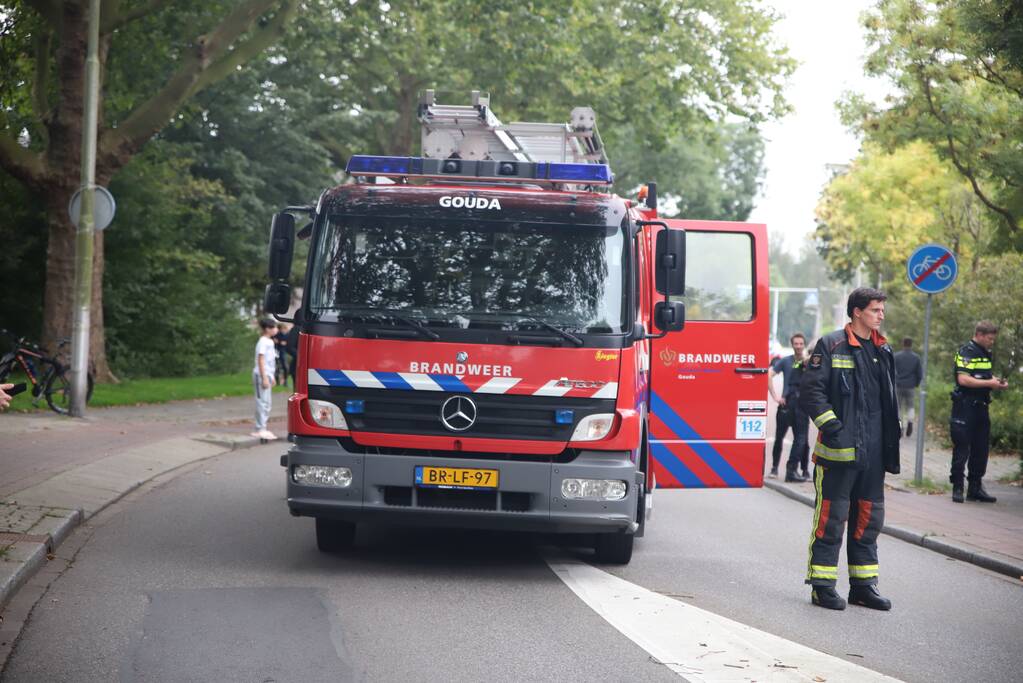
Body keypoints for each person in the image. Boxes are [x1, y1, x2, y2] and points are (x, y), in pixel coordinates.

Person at [800, 287, 900, 611]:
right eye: (875, 310)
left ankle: (863, 587)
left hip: (873, 456)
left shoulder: (883, 350)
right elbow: (812, 393)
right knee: (832, 520)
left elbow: (888, 402)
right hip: (838, 455)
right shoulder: (830, 345)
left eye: (882, 310)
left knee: (868, 522)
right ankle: (822, 587)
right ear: (857, 312)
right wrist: (834, 429)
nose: (881, 315)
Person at [949, 321, 1009, 504]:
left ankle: (975, 487)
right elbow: (964, 379)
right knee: (962, 447)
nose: (992, 342)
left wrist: (996, 382)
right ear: (980, 335)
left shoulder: (985, 353)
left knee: (981, 449)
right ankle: (958, 487)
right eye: (990, 339)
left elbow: (982, 377)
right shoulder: (967, 352)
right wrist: (989, 384)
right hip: (965, 406)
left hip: (982, 406)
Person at [768, 333, 807, 478]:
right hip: (786, 404)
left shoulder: (807, 362)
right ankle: (774, 468)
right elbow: (769, 374)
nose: (798, 346)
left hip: (801, 405)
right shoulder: (785, 361)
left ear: (804, 344)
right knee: (779, 437)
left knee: (802, 440)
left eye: (800, 344)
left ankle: (803, 471)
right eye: (796, 343)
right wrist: (775, 397)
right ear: (792, 345)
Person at [785, 345, 811, 482]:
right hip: (798, 404)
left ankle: (800, 470)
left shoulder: (799, 364)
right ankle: (791, 471)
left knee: (802, 439)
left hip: (795, 402)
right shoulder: (804, 363)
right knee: (800, 439)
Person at [252, 318, 279, 441]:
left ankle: (263, 427)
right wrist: (264, 378)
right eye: (274, 327)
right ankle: (259, 429)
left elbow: (270, 362)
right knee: (261, 402)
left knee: (267, 403)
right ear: (267, 329)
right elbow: (261, 360)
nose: (276, 329)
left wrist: (271, 377)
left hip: (267, 375)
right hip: (261, 375)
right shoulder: (263, 341)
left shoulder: (270, 342)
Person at [894, 337, 923, 437]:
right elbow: (919, 374)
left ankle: (900, 427)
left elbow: (892, 371)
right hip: (910, 386)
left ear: (903, 344)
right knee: (910, 406)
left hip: (898, 385)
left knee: (898, 407)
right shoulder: (916, 357)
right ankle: (910, 422)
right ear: (911, 345)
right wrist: (916, 384)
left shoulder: (896, 356)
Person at [274, 323, 291, 387]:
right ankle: (277, 382)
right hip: (277, 353)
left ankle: (285, 381)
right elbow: (275, 341)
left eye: (284, 329)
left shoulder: (287, 335)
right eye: (282, 329)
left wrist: (283, 343)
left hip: (284, 353)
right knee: (277, 368)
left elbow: (288, 343)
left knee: (285, 368)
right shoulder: (277, 335)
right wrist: (279, 342)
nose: (284, 330)